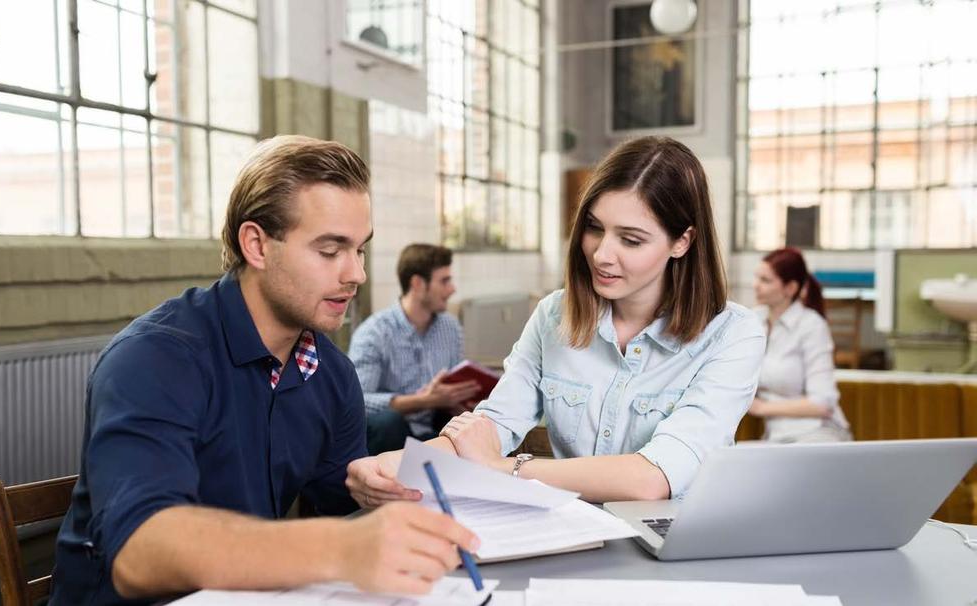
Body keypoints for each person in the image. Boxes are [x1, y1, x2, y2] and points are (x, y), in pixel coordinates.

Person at [50, 136, 478, 605]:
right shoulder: (154, 358)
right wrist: (340, 547)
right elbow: (138, 553)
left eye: (359, 250)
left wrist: (376, 486)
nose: (355, 273)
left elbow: (342, 493)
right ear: (256, 244)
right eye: (331, 250)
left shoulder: (329, 370)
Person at [345, 136, 766, 507]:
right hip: (573, 531)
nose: (602, 254)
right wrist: (398, 465)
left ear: (682, 241)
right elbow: (495, 422)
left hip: (674, 542)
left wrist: (502, 469)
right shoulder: (553, 314)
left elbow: (653, 478)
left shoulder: (733, 334)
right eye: (595, 228)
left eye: (631, 240)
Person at [349, 244, 481, 455]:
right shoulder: (374, 333)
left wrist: (461, 401)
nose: (453, 289)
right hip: (392, 436)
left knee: (471, 421)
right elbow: (357, 401)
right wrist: (422, 401)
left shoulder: (450, 327)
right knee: (387, 422)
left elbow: (455, 381)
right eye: (444, 281)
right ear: (418, 284)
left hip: (436, 429)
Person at [747, 247, 852, 443]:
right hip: (776, 437)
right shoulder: (753, 320)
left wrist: (760, 407)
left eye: (765, 280)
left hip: (818, 432)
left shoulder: (811, 326)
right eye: (756, 277)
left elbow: (822, 403)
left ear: (790, 288)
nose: (755, 285)